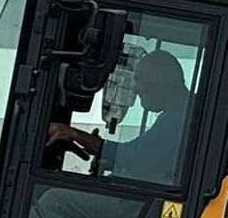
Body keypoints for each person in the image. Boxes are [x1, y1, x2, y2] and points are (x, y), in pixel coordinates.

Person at [48, 49, 192, 185]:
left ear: (159, 79)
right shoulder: (183, 111)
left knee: (53, 200)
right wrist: (116, 165)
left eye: (139, 80)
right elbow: (149, 162)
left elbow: (133, 156)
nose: (135, 89)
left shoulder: (179, 118)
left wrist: (73, 134)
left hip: (146, 205)